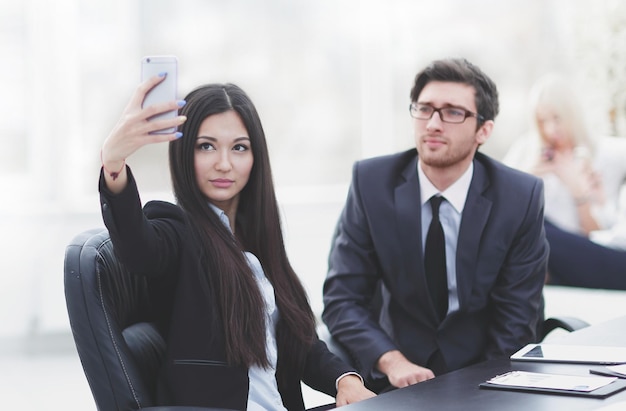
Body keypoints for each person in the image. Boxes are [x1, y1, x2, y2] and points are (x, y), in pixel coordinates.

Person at [99, 76, 375, 410]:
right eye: (207, 146)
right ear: (185, 153)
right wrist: (114, 161)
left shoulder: (257, 241)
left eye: (239, 148)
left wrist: (344, 379)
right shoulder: (177, 231)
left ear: (256, 157)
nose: (224, 163)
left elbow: (297, 341)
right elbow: (138, 249)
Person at [322, 58, 548, 393]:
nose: (433, 123)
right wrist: (391, 360)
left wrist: (484, 390)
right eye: (424, 109)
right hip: (396, 375)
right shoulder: (371, 184)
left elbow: (515, 319)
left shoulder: (519, 197)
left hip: (485, 372)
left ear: (483, 130)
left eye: (453, 112)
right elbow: (342, 298)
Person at [503, 74, 626, 290]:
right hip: (542, 258)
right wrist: (528, 177)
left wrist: (578, 192)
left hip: (585, 249)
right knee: (526, 225)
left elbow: (600, 234)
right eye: (542, 121)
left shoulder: (601, 157)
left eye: (557, 118)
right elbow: (499, 213)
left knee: (537, 229)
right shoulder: (526, 151)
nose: (551, 129)